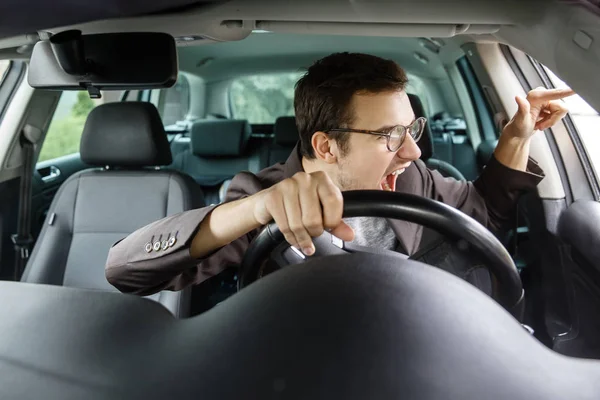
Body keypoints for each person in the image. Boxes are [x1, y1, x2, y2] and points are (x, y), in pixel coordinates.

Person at [105, 52, 572, 296]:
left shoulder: (416, 179)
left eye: (411, 128)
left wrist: (515, 137)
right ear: (326, 146)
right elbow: (123, 271)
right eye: (389, 135)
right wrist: (252, 210)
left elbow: (486, 213)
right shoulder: (260, 196)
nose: (412, 149)